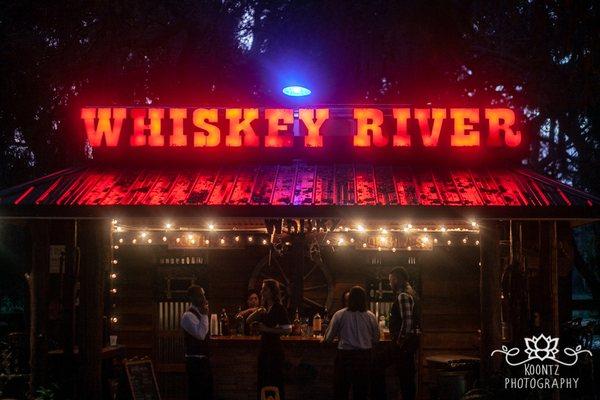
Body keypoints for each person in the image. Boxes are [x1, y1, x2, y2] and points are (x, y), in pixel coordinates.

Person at [323, 286, 380, 400]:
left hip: (345, 357)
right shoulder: (371, 316)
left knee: (341, 392)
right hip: (364, 357)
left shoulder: (339, 314)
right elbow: (376, 339)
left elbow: (328, 339)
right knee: (361, 393)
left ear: (350, 299)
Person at [372, 267, 419, 400]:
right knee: (406, 378)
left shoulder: (403, 296)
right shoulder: (409, 294)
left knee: (378, 365)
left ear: (397, 280)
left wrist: (399, 343)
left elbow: (407, 323)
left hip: (403, 346)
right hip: (406, 345)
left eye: (391, 280)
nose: (390, 283)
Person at [247, 279, 292, 400]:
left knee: (275, 381)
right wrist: (258, 311)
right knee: (263, 381)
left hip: (274, 350)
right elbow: (248, 321)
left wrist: (266, 329)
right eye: (262, 289)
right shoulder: (266, 308)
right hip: (265, 348)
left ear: (272, 292)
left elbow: (288, 329)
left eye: (264, 289)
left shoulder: (279, 308)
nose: (261, 291)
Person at [180, 285, 213, 400]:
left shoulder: (199, 313)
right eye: (200, 295)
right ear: (192, 297)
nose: (203, 298)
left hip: (203, 360)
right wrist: (204, 315)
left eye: (203, 295)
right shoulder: (188, 316)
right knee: (197, 393)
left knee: (206, 393)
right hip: (195, 361)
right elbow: (201, 335)